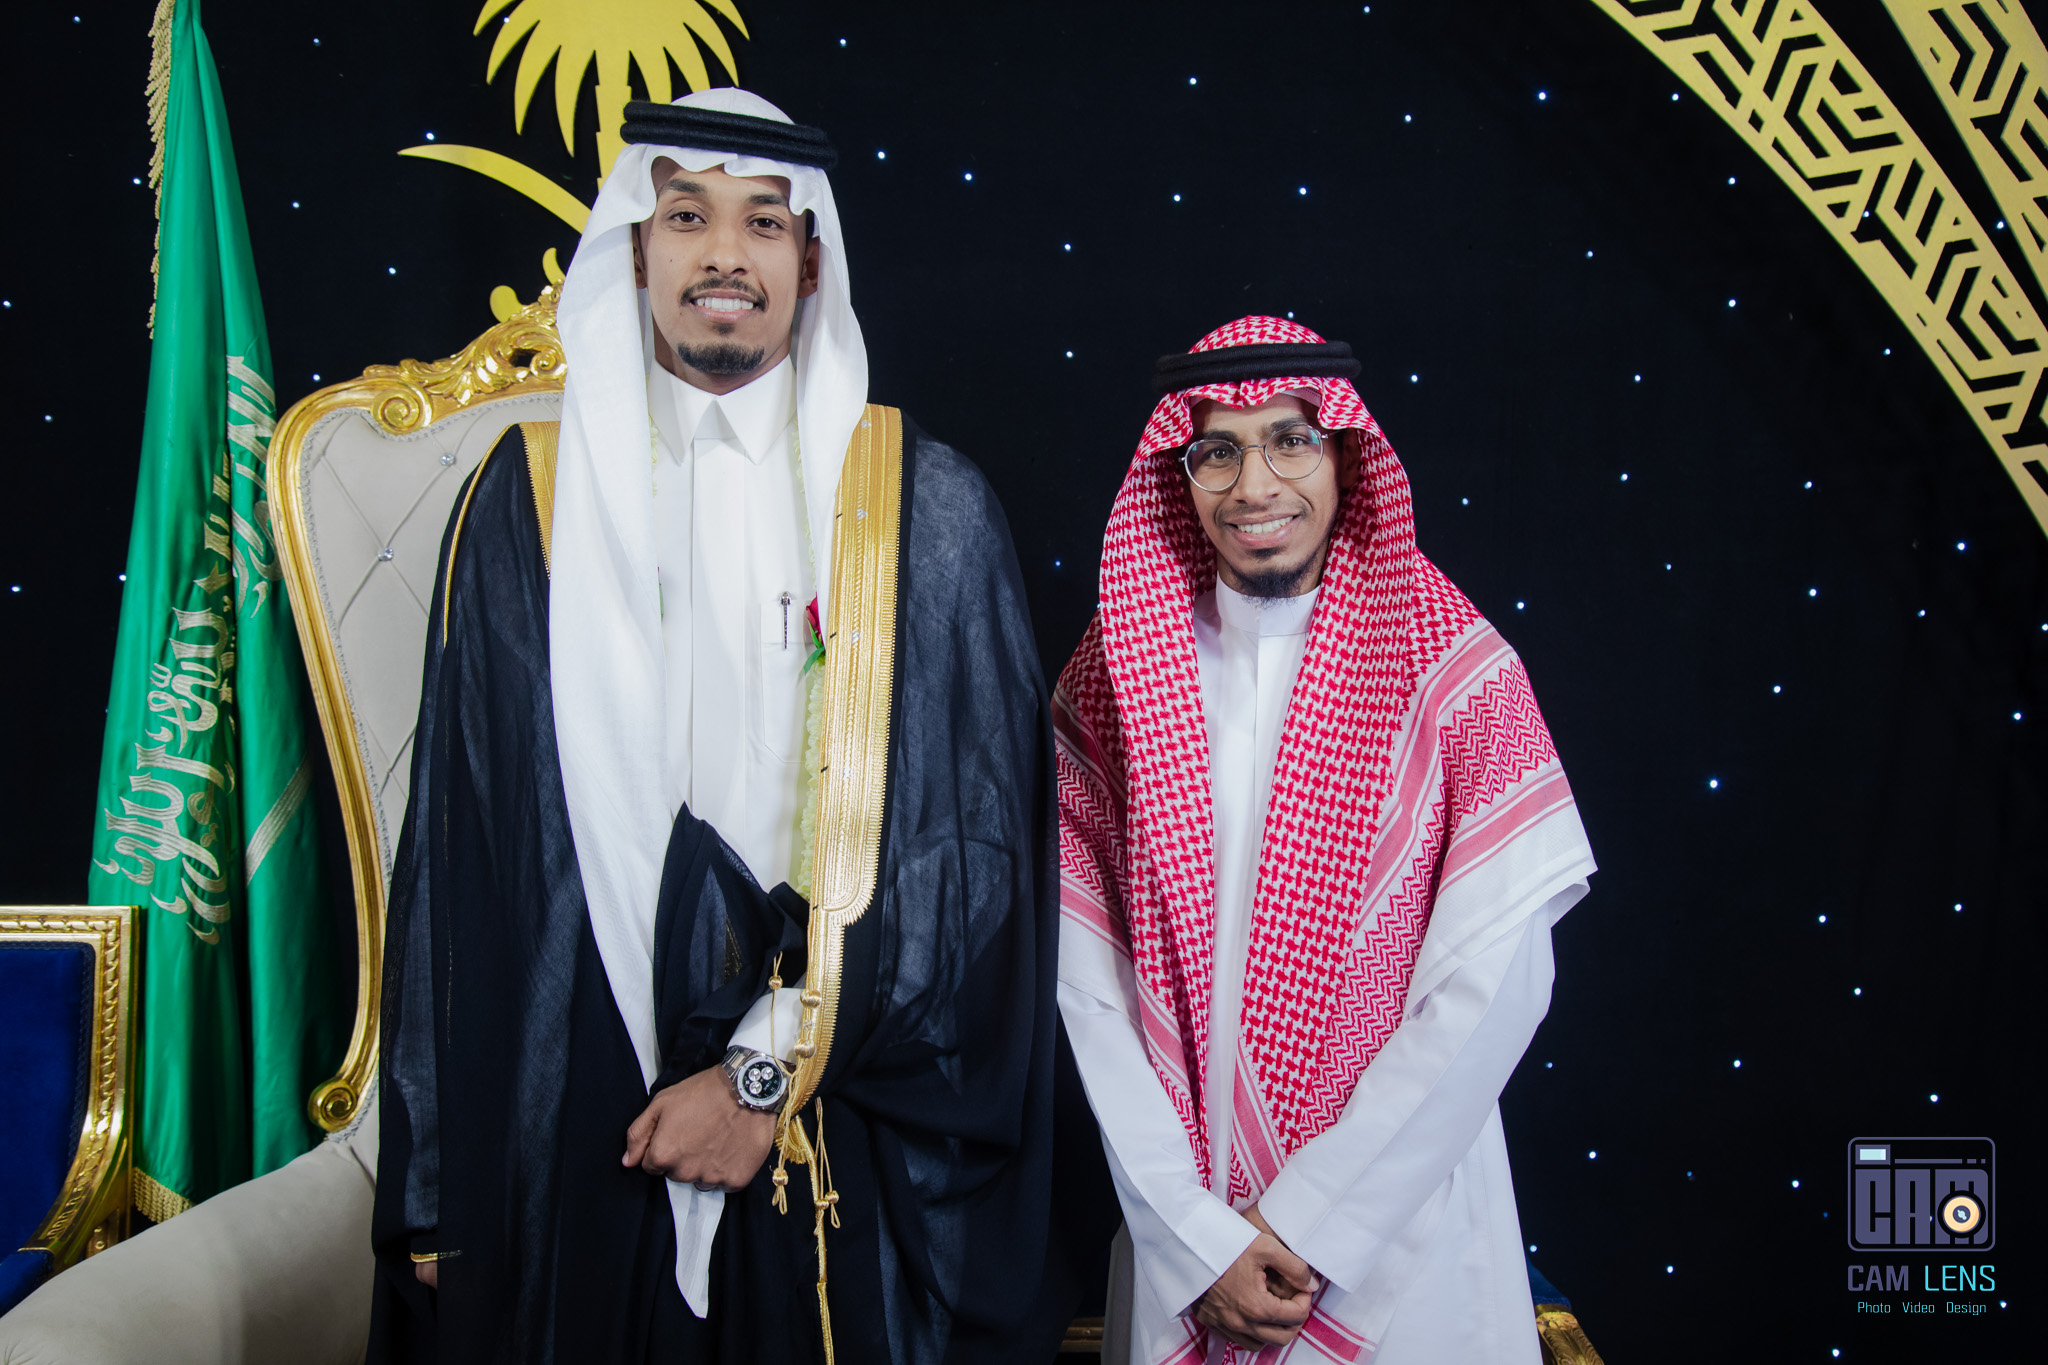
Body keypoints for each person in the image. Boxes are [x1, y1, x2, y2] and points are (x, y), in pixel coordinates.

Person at [369, 89, 1074, 1364]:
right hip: (585, 1108)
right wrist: (429, 1190)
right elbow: (461, 851)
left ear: (812, 261)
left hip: (843, 1111)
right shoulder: (523, 500)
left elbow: (973, 870)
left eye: (763, 221)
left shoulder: (926, 509)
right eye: (686, 216)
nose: (724, 256)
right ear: (635, 250)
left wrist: (764, 1073)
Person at [1055, 317, 1596, 1363]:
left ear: (1345, 454)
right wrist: (1195, 1239)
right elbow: (1088, 984)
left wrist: (1310, 1223)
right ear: (1181, 474)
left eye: (1291, 440)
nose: (1254, 485)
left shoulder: (1459, 673)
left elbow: (1497, 984)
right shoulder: (1113, 677)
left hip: (1402, 1237)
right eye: (1218, 451)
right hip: (1183, 1235)